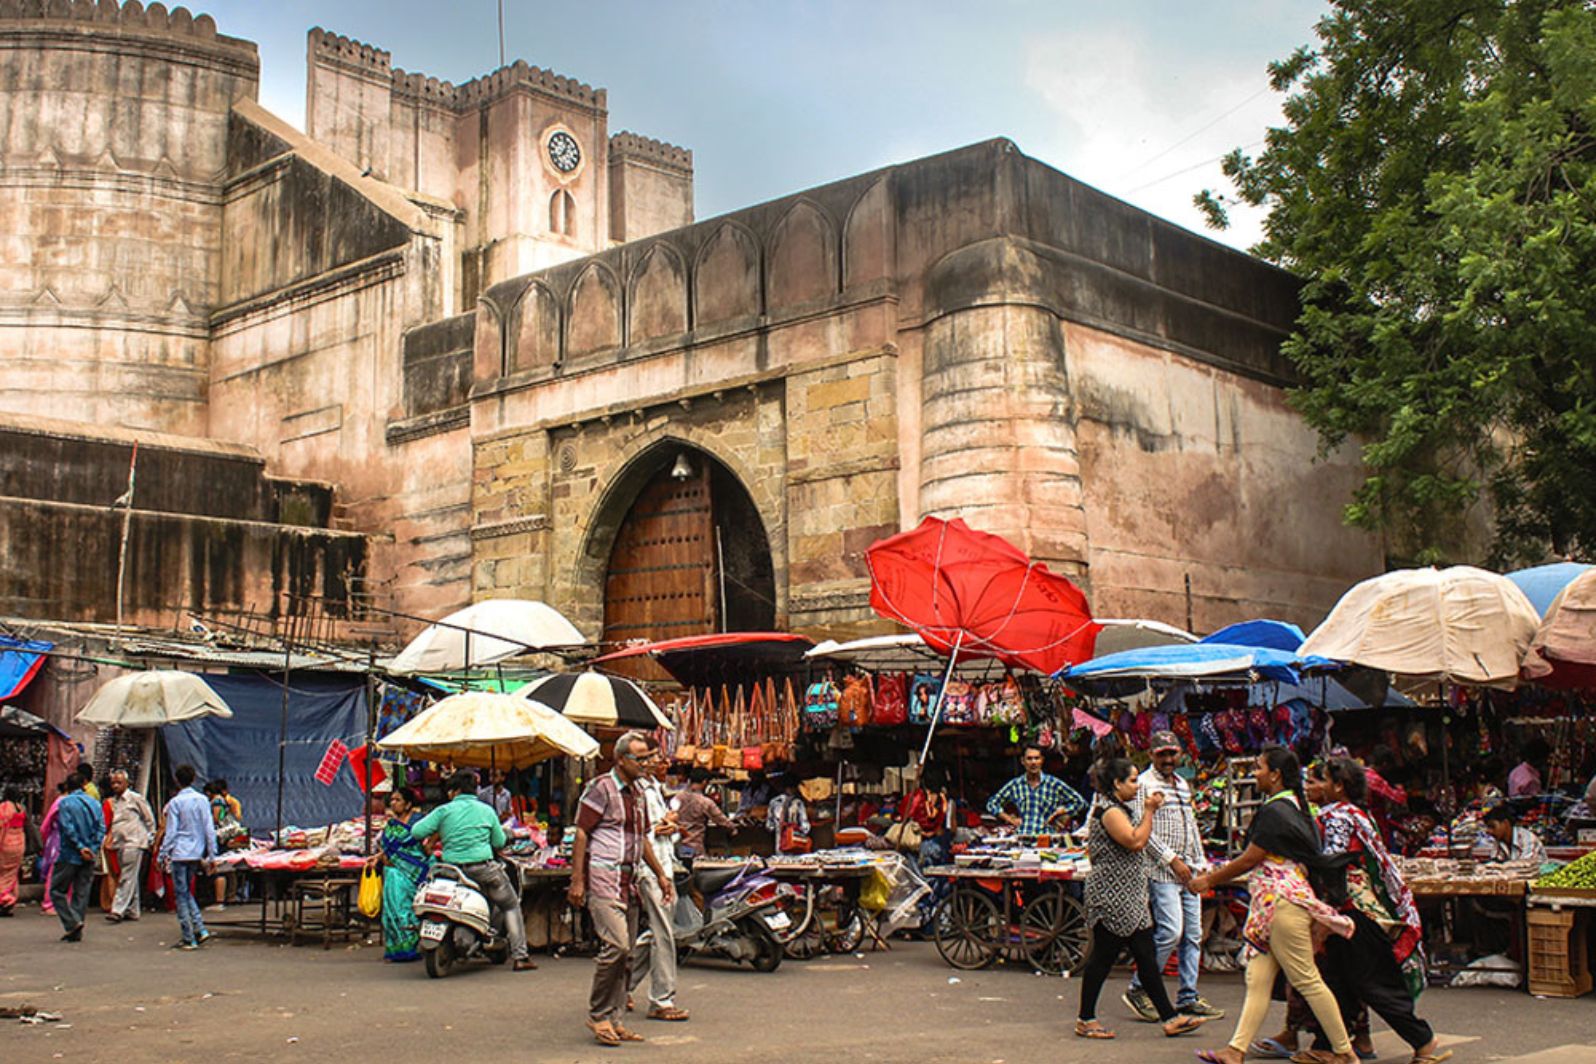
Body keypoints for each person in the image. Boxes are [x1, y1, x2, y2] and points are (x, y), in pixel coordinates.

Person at [1189, 746, 1357, 1064]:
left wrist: (1209, 880)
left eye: (1259, 767)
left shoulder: (1274, 812)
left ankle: (1344, 1051)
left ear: (1275, 774)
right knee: (1257, 979)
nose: (1255, 773)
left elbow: (1251, 858)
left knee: (1306, 979)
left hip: (1280, 903)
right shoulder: (1294, 806)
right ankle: (1235, 1051)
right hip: (1274, 904)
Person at [1074, 757, 1207, 1041]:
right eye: (1132, 781)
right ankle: (1086, 1018)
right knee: (1103, 957)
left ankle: (1170, 1018)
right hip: (1111, 896)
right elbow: (1135, 841)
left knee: (1146, 957)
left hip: (1131, 896)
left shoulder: (1121, 808)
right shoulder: (1108, 811)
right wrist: (1149, 811)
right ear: (1116, 784)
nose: (1137, 786)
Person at [568, 731, 675, 1048]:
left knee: (626, 957)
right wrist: (577, 879)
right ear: (620, 759)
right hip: (603, 878)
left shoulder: (640, 792)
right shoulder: (600, 788)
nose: (646, 764)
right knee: (617, 946)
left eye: (647, 758)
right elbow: (582, 833)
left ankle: (615, 1020)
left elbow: (642, 840)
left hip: (630, 881)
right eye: (639, 758)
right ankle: (599, 1013)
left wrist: (660, 875)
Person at [1122, 731, 1223, 1023]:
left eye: (1172, 753)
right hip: (1162, 871)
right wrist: (1172, 860)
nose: (1168, 759)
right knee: (1170, 932)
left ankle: (1188, 996)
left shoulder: (1181, 784)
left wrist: (1199, 861)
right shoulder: (1143, 784)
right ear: (1152, 755)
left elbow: (1190, 825)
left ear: (1180, 754)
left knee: (1193, 935)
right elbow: (1143, 831)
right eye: (1162, 754)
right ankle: (1139, 987)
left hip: (1189, 869)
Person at [409, 769, 535, 971]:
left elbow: (417, 831)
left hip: (449, 871)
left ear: (455, 791)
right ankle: (521, 956)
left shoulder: (444, 810)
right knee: (510, 905)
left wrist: (441, 829)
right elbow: (499, 841)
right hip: (482, 869)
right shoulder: (486, 811)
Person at [627, 743, 690, 1022]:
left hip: (664, 865)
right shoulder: (637, 789)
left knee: (657, 931)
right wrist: (662, 828)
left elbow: (663, 832)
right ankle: (662, 1000)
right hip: (651, 869)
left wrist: (670, 827)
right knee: (664, 932)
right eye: (653, 758)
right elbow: (641, 833)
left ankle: (621, 985)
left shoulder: (654, 788)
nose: (659, 762)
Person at [367, 787, 431, 962]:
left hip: (411, 873)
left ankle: (410, 946)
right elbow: (388, 848)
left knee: (407, 909)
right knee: (391, 911)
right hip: (392, 872)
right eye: (392, 800)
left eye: (398, 800)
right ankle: (396, 948)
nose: (394, 803)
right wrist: (378, 857)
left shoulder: (419, 823)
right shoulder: (392, 825)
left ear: (408, 804)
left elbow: (425, 844)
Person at [159, 763, 217, 950]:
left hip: (179, 853)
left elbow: (171, 832)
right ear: (193, 779)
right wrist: (212, 854)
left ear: (177, 781)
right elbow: (209, 829)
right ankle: (199, 928)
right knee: (187, 893)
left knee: (181, 895)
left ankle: (188, 936)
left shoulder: (175, 802)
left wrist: (162, 854)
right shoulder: (202, 800)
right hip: (196, 852)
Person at [51, 770, 106, 942]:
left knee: (57, 890)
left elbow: (67, 828)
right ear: (84, 785)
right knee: (81, 892)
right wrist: (92, 848)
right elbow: (101, 828)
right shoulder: (95, 804)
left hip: (70, 853)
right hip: (88, 854)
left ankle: (72, 922)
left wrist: (81, 847)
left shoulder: (65, 803)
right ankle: (77, 925)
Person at [985, 744, 1086, 835]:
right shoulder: (1015, 785)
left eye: (1036, 758)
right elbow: (992, 804)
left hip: (1047, 837)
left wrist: (1061, 812)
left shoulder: (1054, 784)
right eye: (1029, 759)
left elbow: (1080, 803)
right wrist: (1010, 819)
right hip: (1023, 836)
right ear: (1023, 761)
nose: (1033, 762)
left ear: (1042, 760)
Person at [104, 769, 155, 923]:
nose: (115, 786)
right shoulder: (115, 802)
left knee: (126, 876)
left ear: (127, 783)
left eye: (119, 783)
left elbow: (149, 819)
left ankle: (117, 909)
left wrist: (150, 838)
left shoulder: (135, 799)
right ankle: (133, 910)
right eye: (113, 783)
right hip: (119, 843)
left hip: (134, 842)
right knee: (130, 876)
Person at [671, 767, 733, 859]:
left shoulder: (677, 797)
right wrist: (733, 828)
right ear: (704, 782)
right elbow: (721, 820)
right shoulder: (705, 802)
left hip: (677, 844)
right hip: (695, 846)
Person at [205, 778, 245, 909]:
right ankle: (229, 897)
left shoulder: (217, 801)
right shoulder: (226, 801)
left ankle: (219, 901)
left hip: (220, 835)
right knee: (227, 866)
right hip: (226, 834)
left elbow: (216, 819)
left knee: (219, 866)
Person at [37, 780, 68, 916]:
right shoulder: (82, 801)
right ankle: (64, 901)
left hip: (57, 840)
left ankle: (50, 903)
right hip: (72, 841)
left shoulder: (60, 802)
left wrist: (42, 842)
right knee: (68, 872)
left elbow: (46, 824)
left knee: (53, 871)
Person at [1482, 804, 1547, 864]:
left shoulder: (1528, 839)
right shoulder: (1499, 841)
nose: (1488, 831)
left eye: (1492, 826)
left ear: (1505, 823)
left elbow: (1524, 866)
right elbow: (1495, 862)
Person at [0, 787, 29, 916]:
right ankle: (10, 901)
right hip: (19, 843)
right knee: (12, 874)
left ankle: (4, 899)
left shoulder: (4, 807)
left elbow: (2, 826)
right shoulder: (20, 808)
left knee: (3, 873)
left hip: (6, 843)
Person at [767, 777, 810, 852]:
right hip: (789, 841)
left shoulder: (775, 802)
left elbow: (769, 825)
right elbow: (805, 826)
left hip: (783, 842)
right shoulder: (797, 803)